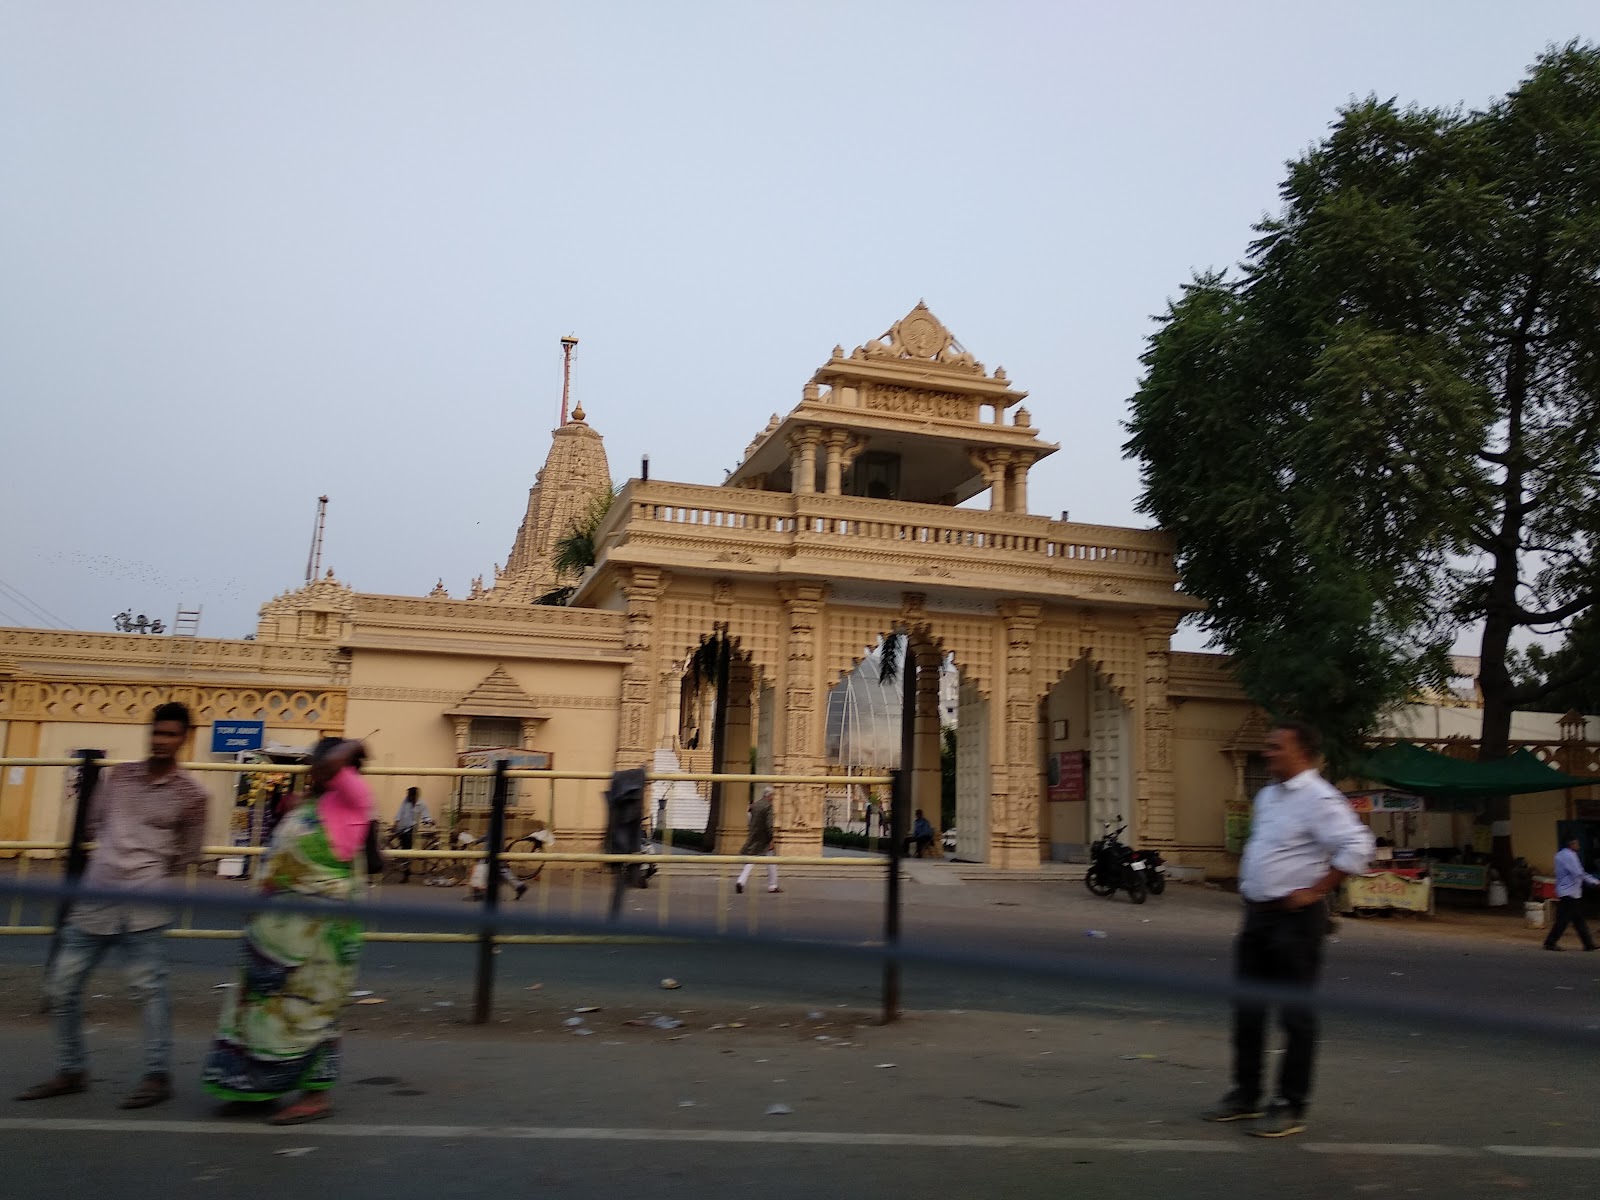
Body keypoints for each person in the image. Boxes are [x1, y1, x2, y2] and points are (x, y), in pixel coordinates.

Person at [17, 702, 208, 1109]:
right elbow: (93, 825)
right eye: (156, 732)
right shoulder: (119, 777)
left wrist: (149, 867)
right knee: (62, 985)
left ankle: (157, 1076)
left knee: (148, 990)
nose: (161, 741)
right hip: (97, 895)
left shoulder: (192, 796)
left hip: (146, 901)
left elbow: (188, 854)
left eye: (170, 734)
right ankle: (72, 1069)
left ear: (184, 739)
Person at [1203, 719, 1373, 1139]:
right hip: (1258, 915)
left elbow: (1357, 846)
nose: (1268, 753)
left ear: (1301, 752)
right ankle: (1246, 1093)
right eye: (1268, 746)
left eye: (1276, 747)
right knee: (1248, 1009)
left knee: (1295, 1016)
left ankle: (1290, 1102)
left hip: (1295, 921)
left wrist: (1316, 891)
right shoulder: (1267, 797)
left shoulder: (1320, 798)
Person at [200, 738, 371, 1123]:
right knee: (261, 1013)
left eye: (321, 764)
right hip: (274, 933)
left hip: (320, 938)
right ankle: (259, 1089)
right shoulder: (305, 807)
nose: (313, 769)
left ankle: (316, 1095)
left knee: (311, 1013)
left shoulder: (353, 805)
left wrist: (350, 746)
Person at [1543, 837, 1598, 952]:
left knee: (1578, 920)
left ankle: (1588, 944)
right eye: (1577, 843)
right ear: (1571, 844)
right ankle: (1550, 942)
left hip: (1567, 891)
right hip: (1569, 892)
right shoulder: (1569, 856)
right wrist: (1594, 881)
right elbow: (1578, 872)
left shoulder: (1560, 855)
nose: (1579, 846)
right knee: (1564, 920)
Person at [735, 787, 779, 895]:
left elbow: (749, 819)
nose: (773, 798)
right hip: (764, 838)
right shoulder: (768, 806)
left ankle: (741, 881)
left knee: (751, 861)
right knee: (771, 861)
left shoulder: (755, 805)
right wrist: (771, 839)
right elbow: (769, 824)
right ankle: (772, 885)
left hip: (754, 836)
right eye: (773, 795)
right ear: (769, 795)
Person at [392, 786, 432, 882]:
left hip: (411, 830)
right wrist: (395, 824)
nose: (408, 797)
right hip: (402, 829)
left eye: (410, 795)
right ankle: (406, 870)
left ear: (415, 795)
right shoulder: (405, 802)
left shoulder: (421, 804)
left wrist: (429, 821)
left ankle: (406, 873)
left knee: (407, 851)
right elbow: (399, 813)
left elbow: (426, 816)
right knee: (403, 851)